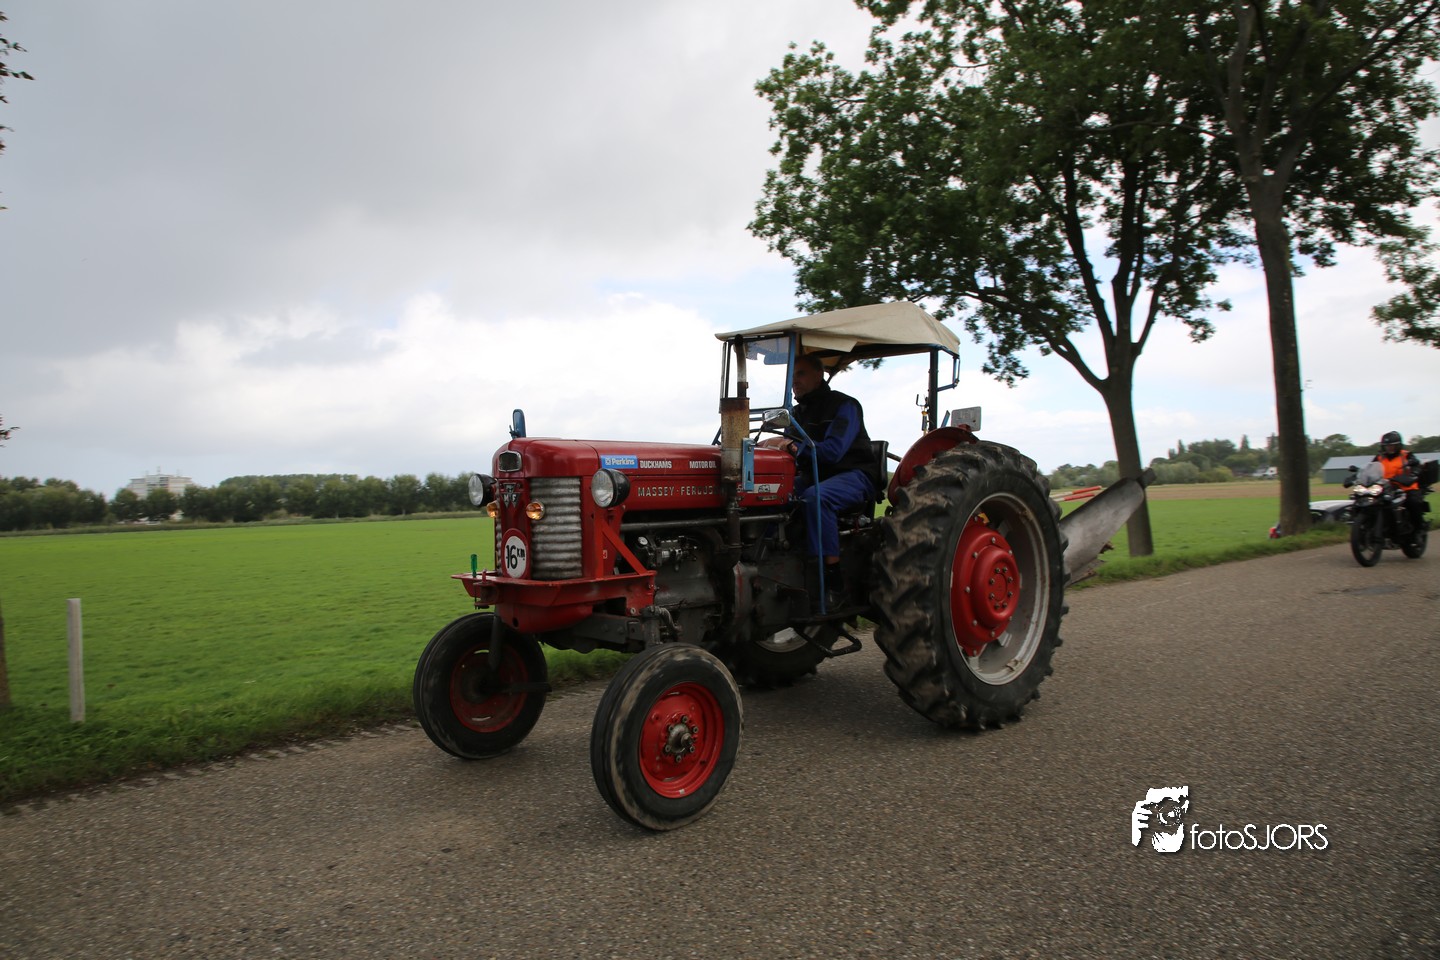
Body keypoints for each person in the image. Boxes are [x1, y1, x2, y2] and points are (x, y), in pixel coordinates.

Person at [761, 352, 877, 608]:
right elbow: (790, 451)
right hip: (813, 476)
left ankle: (833, 582)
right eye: (792, 376)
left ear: (819, 375)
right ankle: (762, 557)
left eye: (800, 374)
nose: (794, 381)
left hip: (852, 474)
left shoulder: (845, 406)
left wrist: (790, 446)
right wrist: (770, 445)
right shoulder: (795, 413)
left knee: (816, 498)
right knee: (768, 492)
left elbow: (833, 452)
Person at [1373, 430, 1426, 539]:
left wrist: (1414, 473)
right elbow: (1371, 467)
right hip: (1386, 487)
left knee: (1413, 502)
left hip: (1406, 487)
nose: (1389, 448)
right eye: (1387, 446)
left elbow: (1415, 464)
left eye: (1392, 446)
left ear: (1398, 446)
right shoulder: (1380, 457)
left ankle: (1419, 528)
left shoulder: (1406, 455)